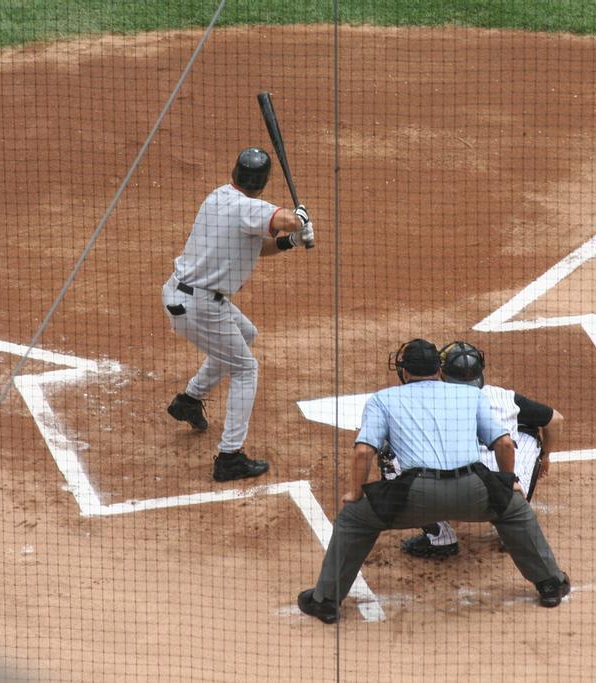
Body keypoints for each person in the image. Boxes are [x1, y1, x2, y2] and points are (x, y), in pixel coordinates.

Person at [297, 339, 570, 624]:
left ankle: (325, 602)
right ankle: (551, 584)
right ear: (439, 369)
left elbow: (364, 452)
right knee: (514, 512)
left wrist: (355, 493)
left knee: (353, 520)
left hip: (414, 496)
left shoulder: (382, 399)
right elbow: (504, 443)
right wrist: (507, 482)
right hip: (474, 490)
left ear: (404, 371)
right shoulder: (471, 395)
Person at [162, 147, 314, 482]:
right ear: (263, 182)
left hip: (183, 295)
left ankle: (190, 399)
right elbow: (285, 219)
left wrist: (291, 242)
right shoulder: (250, 208)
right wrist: (300, 219)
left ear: (235, 173)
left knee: (246, 335)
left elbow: (254, 246)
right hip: (201, 306)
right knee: (246, 368)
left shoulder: (218, 197)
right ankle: (230, 457)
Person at [395, 340, 565, 559]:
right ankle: (512, 525)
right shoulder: (505, 398)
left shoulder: (426, 402)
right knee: (528, 431)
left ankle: (440, 537)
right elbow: (555, 420)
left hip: (445, 496)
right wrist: (546, 456)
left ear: (441, 372)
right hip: (499, 497)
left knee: (393, 455)